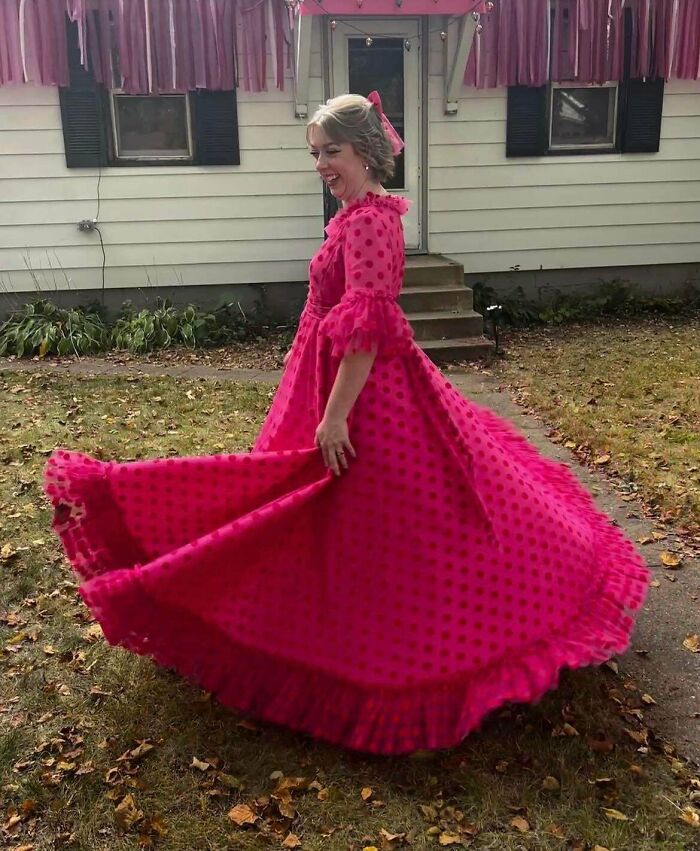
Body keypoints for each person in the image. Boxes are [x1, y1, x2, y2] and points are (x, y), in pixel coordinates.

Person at [43, 91, 651, 756]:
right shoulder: (355, 215)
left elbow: (367, 331)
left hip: (363, 396)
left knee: (351, 511)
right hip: (331, 379)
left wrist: (335, 417)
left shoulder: (368, 224)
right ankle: (284, 613)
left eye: (331, 151)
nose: (322, 164)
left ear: (364, 150)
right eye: (315, 153)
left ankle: (343, 633)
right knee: (301, 507)